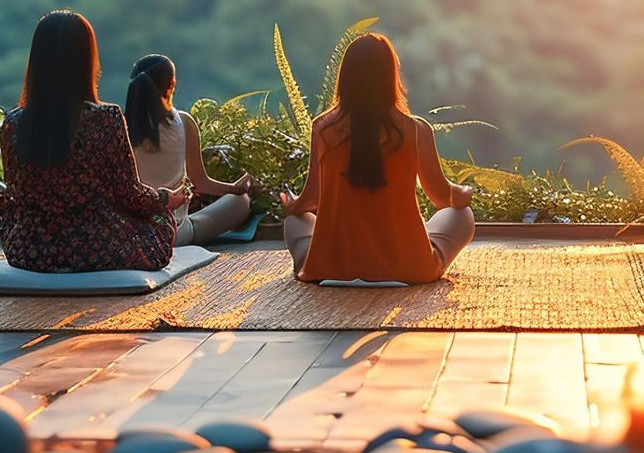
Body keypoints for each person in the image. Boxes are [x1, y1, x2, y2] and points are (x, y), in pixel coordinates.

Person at [0, 11, 188, 272]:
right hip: (98, 246)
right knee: (158, 220)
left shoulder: (12, 124)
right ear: (86, 61)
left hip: (29, 250)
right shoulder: (105, 119)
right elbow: (129, 194)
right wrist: (165, 199)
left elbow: (16, 196)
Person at [279, 32, 476, 284]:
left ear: (345, 78)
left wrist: (291, 205)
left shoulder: (323, 128)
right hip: (407, 268)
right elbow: (441, 198)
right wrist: (464, 191)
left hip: (332, 269)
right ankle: (413, 246)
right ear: (390, 76)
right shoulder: (416, 130)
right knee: (462, 216)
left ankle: (313, 265)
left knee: (296, 221)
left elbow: (311, 200)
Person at [125, 54, 260, 245]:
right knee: (241, 202)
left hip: (131, 234)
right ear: (171, 84)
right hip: (174, 233)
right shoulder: (184, 123)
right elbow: (202, 184)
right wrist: (237, 188)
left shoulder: (119, 126)